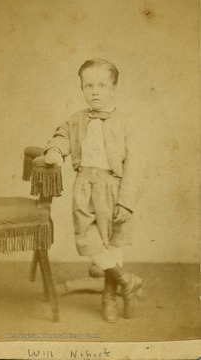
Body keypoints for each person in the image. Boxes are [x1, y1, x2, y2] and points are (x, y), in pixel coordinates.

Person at [42, 58, 143, 323]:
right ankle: (127, 281)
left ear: (114, 88)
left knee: (112, 243)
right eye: (88, 86)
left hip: (113, 189)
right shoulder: (76, 119)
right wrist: (55, 151)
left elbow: (134, 165)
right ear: (82, 89)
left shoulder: (127, 123)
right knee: (88, 240)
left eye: (101, 85)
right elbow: (61, 136)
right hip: (84, 186)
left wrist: (126, 202)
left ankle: (109, 295)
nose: (94, 91)